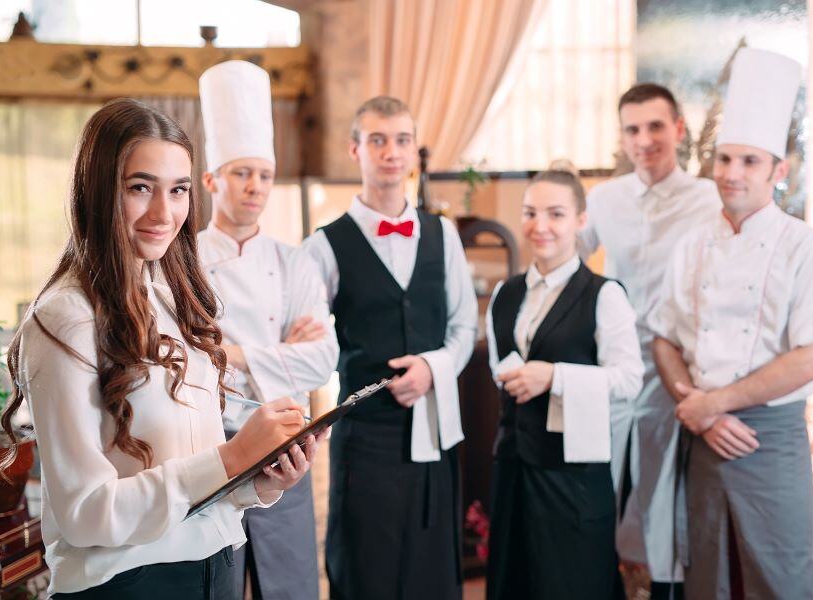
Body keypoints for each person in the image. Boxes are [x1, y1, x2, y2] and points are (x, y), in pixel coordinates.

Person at [0, 99, 322, 599]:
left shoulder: (173, 303)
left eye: (178, 191)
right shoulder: (65, 317)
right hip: (130, 583)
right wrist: (233, 458)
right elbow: (85, 514)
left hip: (215, 568)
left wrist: (260, 478)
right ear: (98, 189)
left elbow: (197, 474)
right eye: (140, 187)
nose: (163, 213)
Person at [650, 48, 813, 599]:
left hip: (767, 441)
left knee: (781, 581)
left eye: (749, 162)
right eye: (724, 159)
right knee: (709, 580)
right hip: (705, 439)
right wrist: (699, 412)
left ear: (779, 171)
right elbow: (664, 338)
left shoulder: (808, 248)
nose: (732, 174)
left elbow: (810, 357)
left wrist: (715, 405)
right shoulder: (691, 243)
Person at [302, 96, 477, 600]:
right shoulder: (323, 245)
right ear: (355, 150)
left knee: (431, 569)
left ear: (414, 153)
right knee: (365, 567)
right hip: (363, 436)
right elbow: (311, 341)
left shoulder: (443, 234)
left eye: (402, 140)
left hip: (433, 426)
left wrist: (432, 366)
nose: (390, 152)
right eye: (377, 140)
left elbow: (464, 326)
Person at [197, 60, 337, 600]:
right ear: (211, 180)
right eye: (240, 173)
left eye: (263, 175)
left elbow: (323, 360)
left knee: (292, 583)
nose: (254, 187)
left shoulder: (295, 260)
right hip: (211, 446)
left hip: (286, 444)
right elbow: (185, 360)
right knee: (216, 582)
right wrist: (278, 354)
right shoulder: (181, 261)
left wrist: (231, 354)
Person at [578, 83, 721, 596]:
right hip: (613, 367)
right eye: (633, 129)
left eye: (655, 126)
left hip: (678, 372)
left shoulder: (709, 200)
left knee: (669, 495)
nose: (644, 140)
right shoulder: (604, 199)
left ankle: (666, 588)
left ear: (678, 130)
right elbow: (567, 259)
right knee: (602, 485)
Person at [485, 169, 643, 599]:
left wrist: (555, 376)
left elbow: (630, 379)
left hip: (573, 478)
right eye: (531, 213)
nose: (541, 226)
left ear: (580, 220)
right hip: (514, 468)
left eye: (556, 214)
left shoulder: (604, 294)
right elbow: (499, 365)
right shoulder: (506, 292)